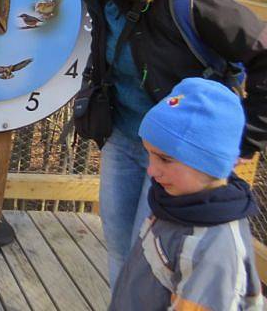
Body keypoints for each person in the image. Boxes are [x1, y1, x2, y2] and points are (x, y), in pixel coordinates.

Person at [73, 0, 267, 287]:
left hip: (180, 154)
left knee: (157, 256)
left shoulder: (192, 0)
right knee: (118, 244)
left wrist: (244, 139)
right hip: (124, 137)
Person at [110, 77, 263, 310]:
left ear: (209, 163)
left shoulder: (214, 251)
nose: (151, 170)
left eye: (164, 159)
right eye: (149, 154)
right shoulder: (177, 202)